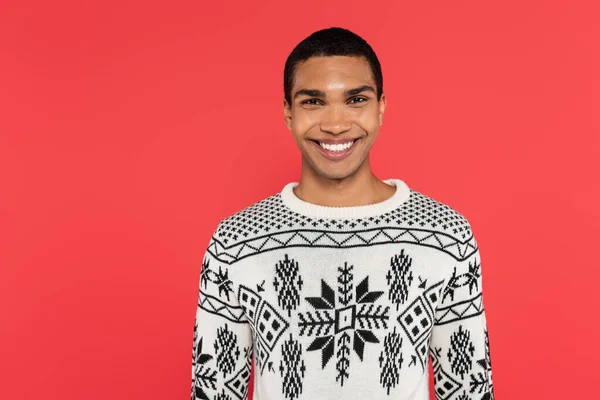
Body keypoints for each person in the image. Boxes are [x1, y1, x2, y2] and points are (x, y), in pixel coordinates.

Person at [191, 27, 494, 400]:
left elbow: (470, 391)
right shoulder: (235, 243)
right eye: (313, 102)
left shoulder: (446, 237)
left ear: (381, 106)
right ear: (288, 112)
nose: (335, 124)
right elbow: (214, 391)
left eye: (355, 100)